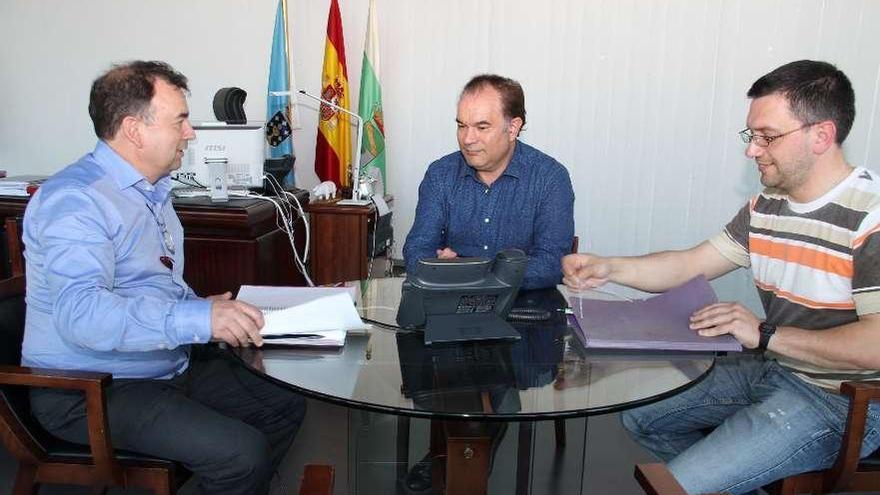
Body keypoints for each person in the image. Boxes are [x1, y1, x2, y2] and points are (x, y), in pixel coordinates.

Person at [562, 59, 880, 494]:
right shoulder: (768, 206)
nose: (752, 150)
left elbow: (876, 345)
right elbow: (691, 263)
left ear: (821, 135)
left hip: (846, 401)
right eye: (752, 136)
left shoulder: (870, 218)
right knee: (640, 415)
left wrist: (765, 334)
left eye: (768, 137)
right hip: (779, 370)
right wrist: (610, 267)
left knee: (676, 486)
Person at [21, 61, 306, 495]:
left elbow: (153, 284)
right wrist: (196, 320)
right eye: (181, 120)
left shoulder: (153, 192)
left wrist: (205, 308)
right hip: (91, 390)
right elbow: (83, 315)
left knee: (283, 402)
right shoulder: (76, 202)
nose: (190, 133)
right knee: (240, 454)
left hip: (159, 367)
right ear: (135, 130)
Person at [403, 74, 575, 290]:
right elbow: (417, 248)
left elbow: (551, 263)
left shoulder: (550, 178)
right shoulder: (440, 174)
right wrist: (437, 268)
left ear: (513, 128)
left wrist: (470, 273)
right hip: (450, 301)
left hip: (525, 308)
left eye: (481, 127)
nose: (467, 139)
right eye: (461, 126)